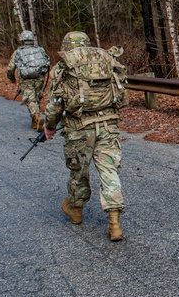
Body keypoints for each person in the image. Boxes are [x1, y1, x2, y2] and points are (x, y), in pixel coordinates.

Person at [44, 31, 128, 242]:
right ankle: (114, 222)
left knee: (79, 170)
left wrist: (50, 126)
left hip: (79, 127)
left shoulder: (64, 65)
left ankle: (76, 209)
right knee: (109, 170)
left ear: (67, 46)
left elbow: (55, 103)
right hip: (108, 123)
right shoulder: (106, 58)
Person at [6, 30, 51, 131]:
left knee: (30, 99)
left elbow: (10, 68)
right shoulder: (40, 50)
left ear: (22, 39)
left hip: (26, 79)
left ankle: (36, 117)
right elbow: (47, 62)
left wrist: (11, 78)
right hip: (40, 77)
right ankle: (34, 121)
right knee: (37, 98)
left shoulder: (18, 51)